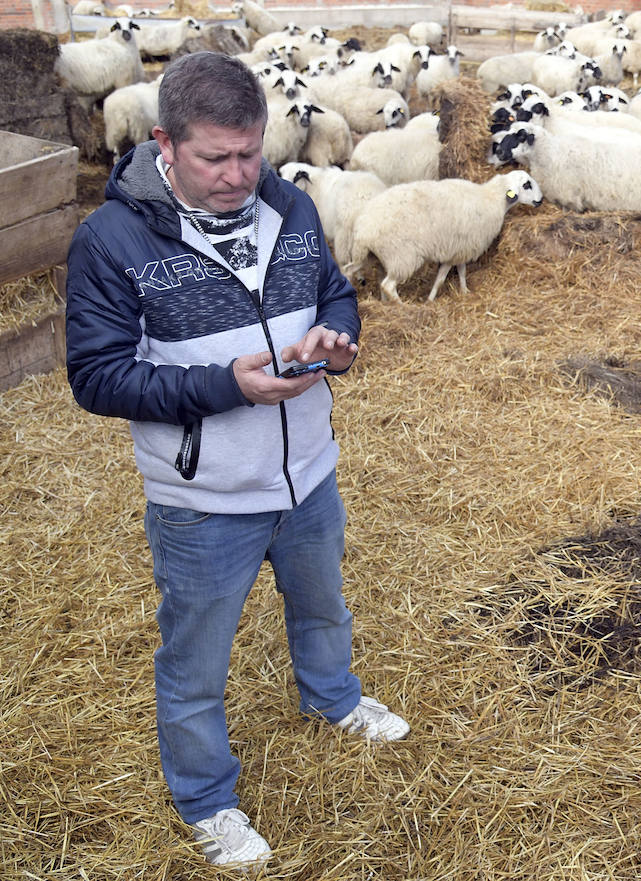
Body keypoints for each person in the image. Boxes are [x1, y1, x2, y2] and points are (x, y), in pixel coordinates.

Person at [64, 51, 409, 869]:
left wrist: (337, 337)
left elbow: (334, 289)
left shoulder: (287, 205)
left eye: (249, 152)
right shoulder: (112, 240)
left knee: (323, 607)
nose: (237, 174)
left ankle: (333, 698)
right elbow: (98, 375)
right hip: (204, 498)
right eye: (215, 158)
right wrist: (227, 385)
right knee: (195, 660)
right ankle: (206, 796)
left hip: (307, 473)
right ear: (164, 145)